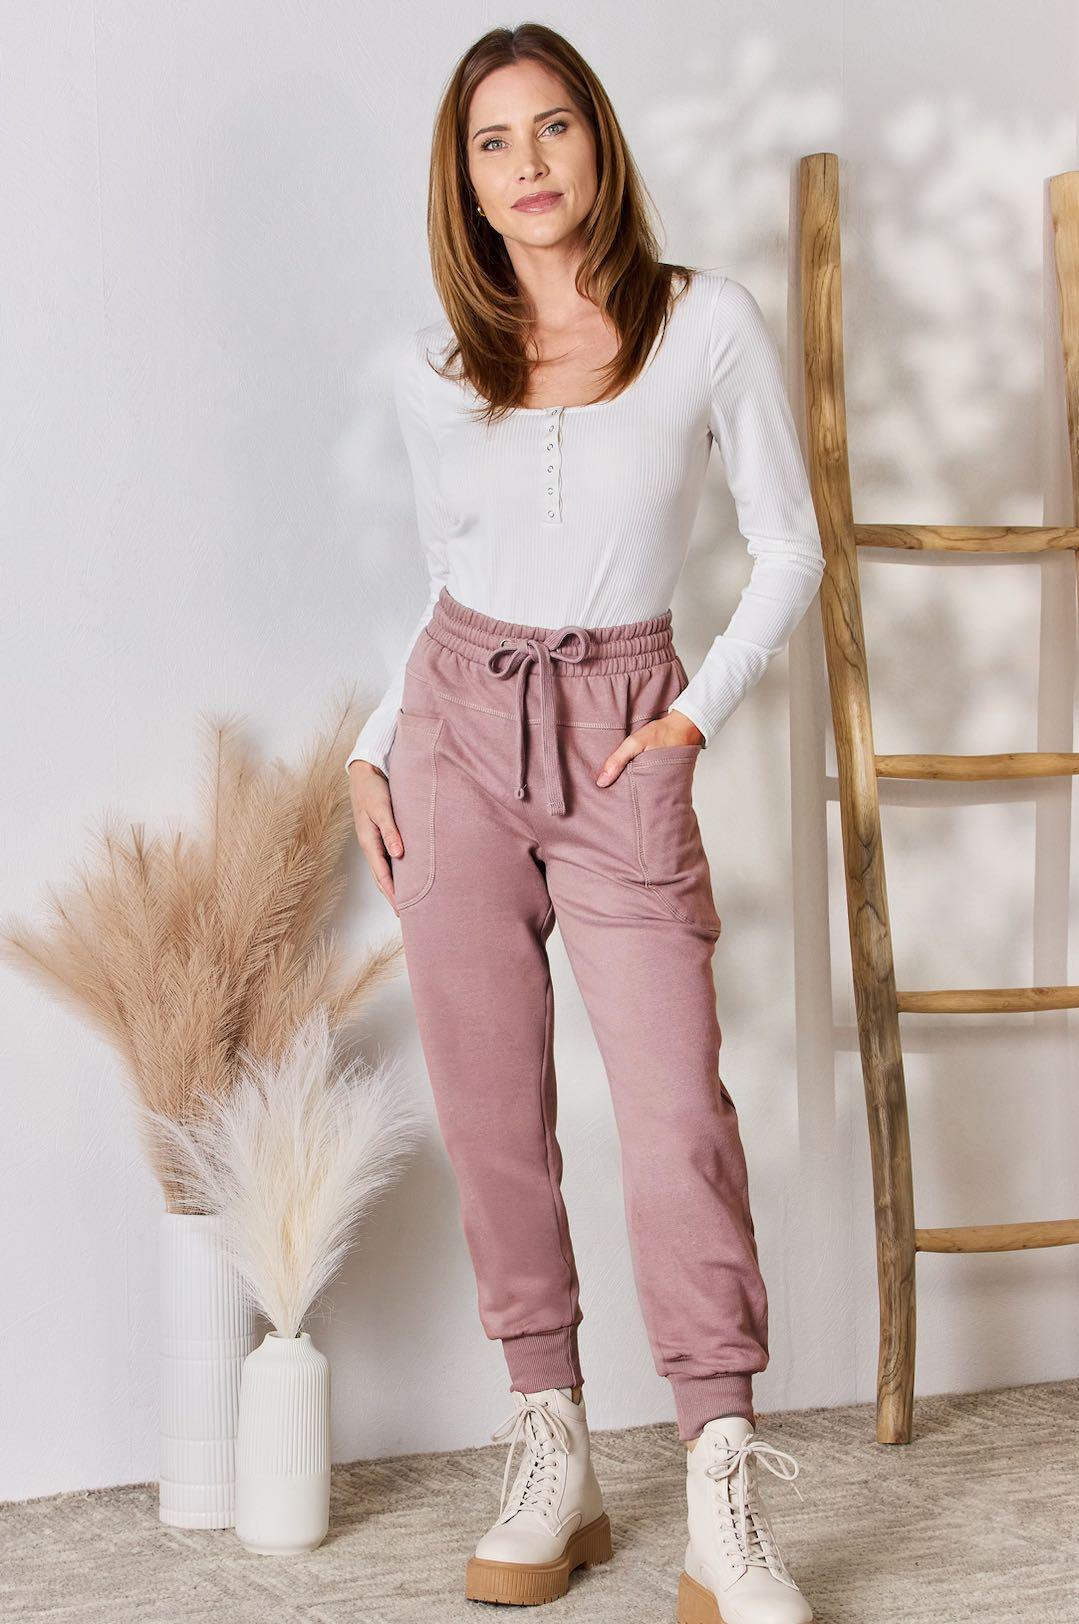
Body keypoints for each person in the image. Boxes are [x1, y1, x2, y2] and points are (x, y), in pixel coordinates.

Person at [346, 23, 822, 1624]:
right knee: (493, 1116)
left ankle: (719, 1486)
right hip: (454, 737)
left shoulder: (704, 324)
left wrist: (691, 715)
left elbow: (789, 546)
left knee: (677, 1112)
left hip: (626, 733)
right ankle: (551, 1441)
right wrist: (374, 742)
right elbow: (440, 576)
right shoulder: (433, 368)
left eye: (554, 130)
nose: (529, 165)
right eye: (494, 143)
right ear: (464, 181)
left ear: (599, 146)